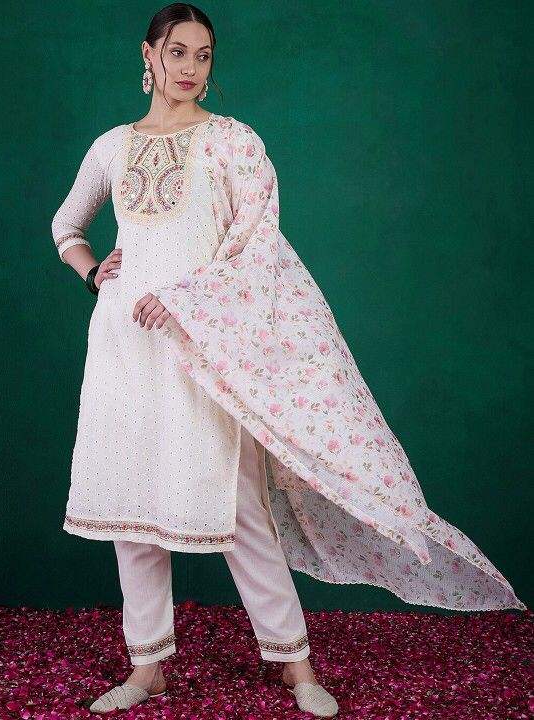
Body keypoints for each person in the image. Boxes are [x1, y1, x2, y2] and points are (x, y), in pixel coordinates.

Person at [51, 3, 525, 716]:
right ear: (148, 55)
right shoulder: (112, 147)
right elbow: (66, 225)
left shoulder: (232, 142)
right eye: (177, 52)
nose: (189, 67)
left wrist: (186, 302)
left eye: (203, 55)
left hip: (207, 348)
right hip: (124, 346)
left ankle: (295, 665)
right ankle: (147, 667)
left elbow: (258, 245)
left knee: (237, 504)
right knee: (132, 511)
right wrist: (94, 272)